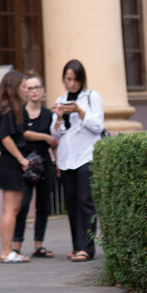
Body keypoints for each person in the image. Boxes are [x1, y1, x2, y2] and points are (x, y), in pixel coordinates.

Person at [51, 59, 104, 262]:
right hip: (66, 158)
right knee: (71, 204)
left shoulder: (91, 97)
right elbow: (55, 136)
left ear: (82, 79)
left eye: (75, 79)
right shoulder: (61, 99)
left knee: (85, 202)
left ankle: (87, 247)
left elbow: (98, 125)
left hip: (86, 156)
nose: (71, 84)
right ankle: (77, 246)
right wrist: (58, 117)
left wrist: (79, 111)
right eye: (68, 79)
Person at [12, 72, 57, 258]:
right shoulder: (20, 112)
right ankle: (16, 245)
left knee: (43, 205)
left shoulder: (48, 114)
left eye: (37, 87)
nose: (34, 91)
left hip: (45, 162)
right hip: (25, 162)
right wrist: (46, 137)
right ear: (25, 91)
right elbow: (23, 134)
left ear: (43, 90)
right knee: (22, 205)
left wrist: (57, 164)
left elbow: (57, 139)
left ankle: (38, 245)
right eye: (30, 88)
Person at [0, 70, 31, 263]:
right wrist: (21, 159)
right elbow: (5, 137)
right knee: (10, 209)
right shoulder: (8, 110)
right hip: (10, 163)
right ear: (14, 88)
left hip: (10, 162)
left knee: (12, 209)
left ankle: (9, 250)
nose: (26, 90)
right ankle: (7, 251)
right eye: (23, 87)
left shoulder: (9, 109)